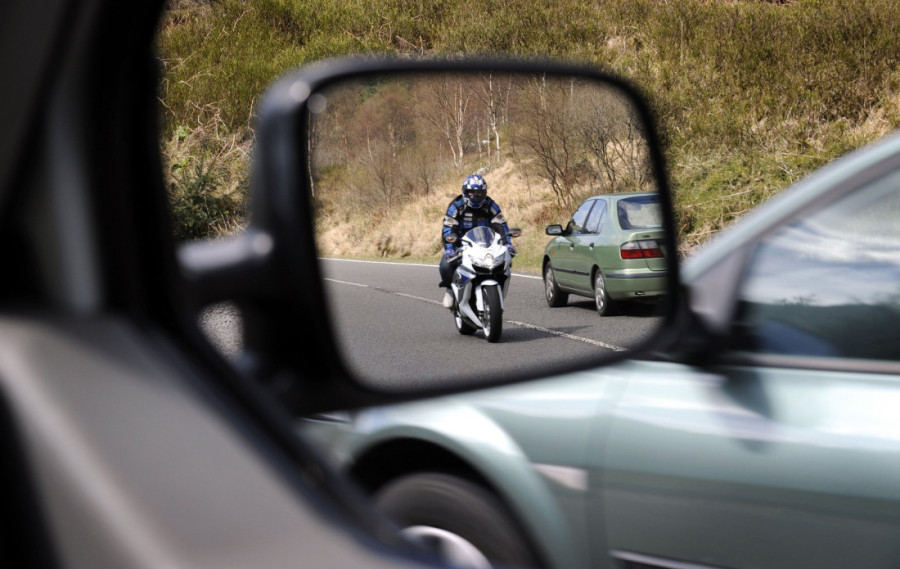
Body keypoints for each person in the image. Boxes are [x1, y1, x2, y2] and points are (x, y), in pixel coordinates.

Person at [439, 173, 516, 308]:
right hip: (462, 246)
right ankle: (450, 289)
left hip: (487, 245)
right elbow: (448, 228)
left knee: (506, 260)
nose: (476, 196)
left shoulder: (490, 205)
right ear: (465, 192)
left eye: (480, 192)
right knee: (446, 264)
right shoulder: (456, 206)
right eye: (472, 192)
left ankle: (496, 291)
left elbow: (500, 225)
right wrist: (450, 247)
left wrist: (507, 243)